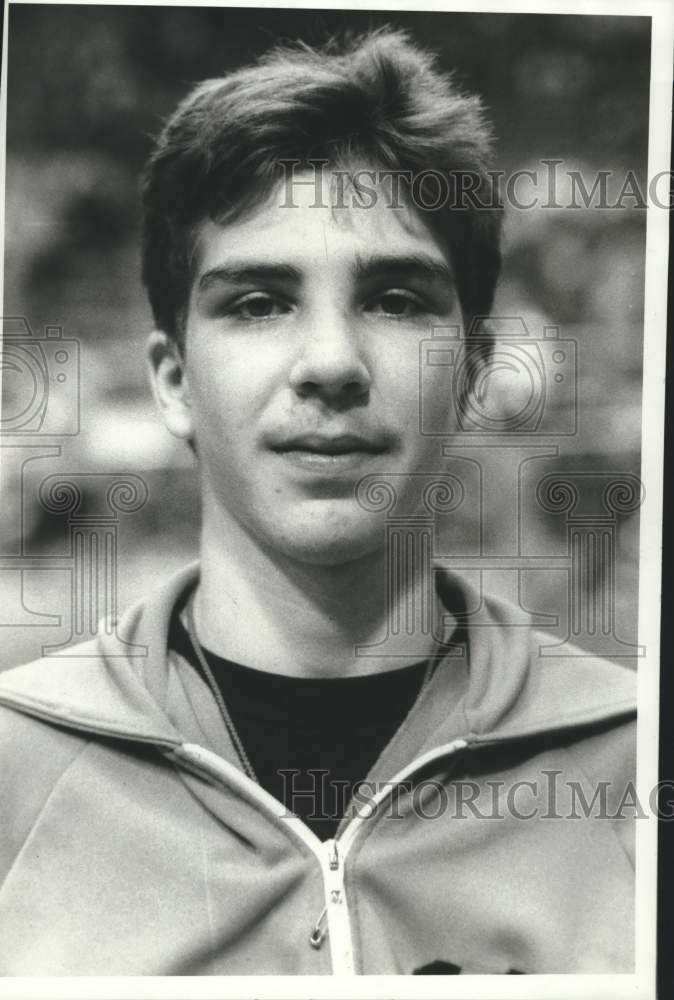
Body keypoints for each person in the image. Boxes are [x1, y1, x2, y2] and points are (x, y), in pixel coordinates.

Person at [0, 28, 636, 976]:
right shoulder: (16, 770)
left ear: (469, 371)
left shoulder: (630, 766)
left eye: (393, 298)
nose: (331, 363)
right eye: (258, 303)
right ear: (173, 379)